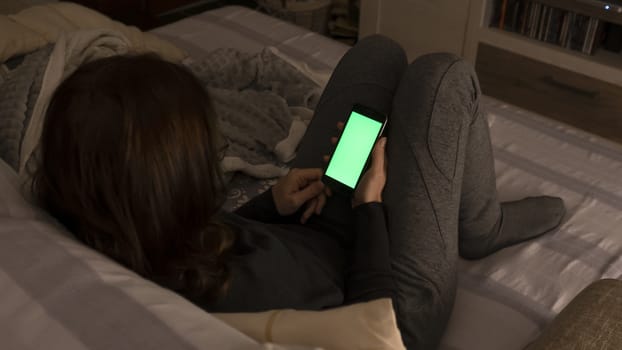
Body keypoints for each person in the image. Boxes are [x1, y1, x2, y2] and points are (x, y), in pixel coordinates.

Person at [33, 35, 565, 349]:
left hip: (310, 223)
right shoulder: (241, 293)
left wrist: (272, 205)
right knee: (442, 76)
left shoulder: (124, 222)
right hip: (391, 300)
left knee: (376, 56)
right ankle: (479, 226)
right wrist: (371, 205)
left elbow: (231, 239)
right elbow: (371, 318)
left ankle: (395, 179)